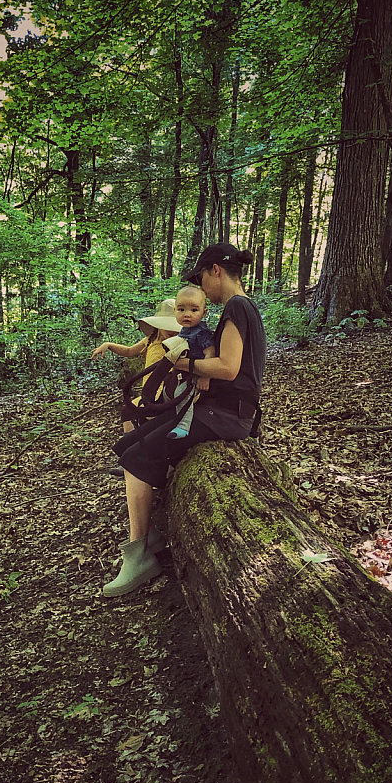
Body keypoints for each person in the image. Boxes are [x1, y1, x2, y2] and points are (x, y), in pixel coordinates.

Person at [103, 243, 266, 598]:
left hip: (225, 417)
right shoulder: (243, 306)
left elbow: (227, 367)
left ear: (215, 271)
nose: (202, 288)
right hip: (219, 412)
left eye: (201, 279)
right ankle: (149, 525)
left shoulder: (237, 306)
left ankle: (140, 554)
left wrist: (183, 364)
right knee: (127, 444)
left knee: (136, 456)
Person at [91, 298, 182, 434]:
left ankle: (134, 441)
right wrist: (108, 345)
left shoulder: (178, 343)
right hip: (149, 390)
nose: (172, 330)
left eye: (175, 327)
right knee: (132, 414)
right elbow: (129, 351)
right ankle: (132, 440)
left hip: (164, 391)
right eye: (167, 325)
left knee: (133, 413)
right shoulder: (150, 340)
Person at [166, 284, 215, 440]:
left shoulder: (201, 332)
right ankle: (170, 417)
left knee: (182, 393)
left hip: (197, 373)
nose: (187, 315)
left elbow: (210, 352)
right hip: (184, 372)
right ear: (174, 310)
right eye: (181, 309)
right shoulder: (184, 330)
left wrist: (205, 377)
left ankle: (183, 426)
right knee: (169, 392)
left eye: (194, 310)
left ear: (203, 312)